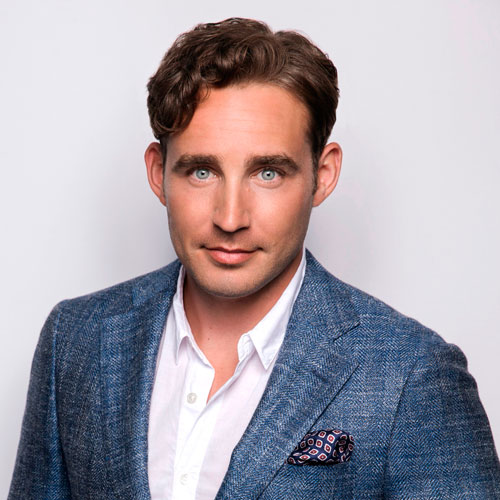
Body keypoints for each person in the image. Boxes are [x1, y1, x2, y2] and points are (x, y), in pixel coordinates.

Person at [9, 17, 500, 500]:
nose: (230, 217)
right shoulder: (76, 339)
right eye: (201, 171)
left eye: (268, 173)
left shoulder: (412, 373)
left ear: (323, 175)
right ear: (158, 173)